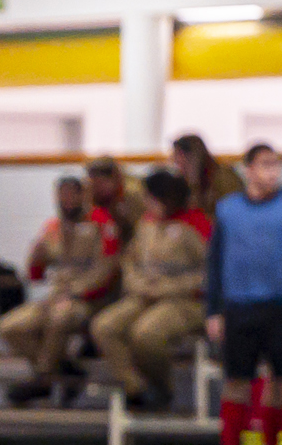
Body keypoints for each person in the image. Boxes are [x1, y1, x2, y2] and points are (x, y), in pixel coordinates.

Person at [87, 170, 210, 412]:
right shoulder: (147, 223)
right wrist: (138, 283)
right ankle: (136, 388)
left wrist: (169, 288)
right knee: (104, 326)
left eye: (150, 197)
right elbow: (130, 260)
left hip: (185, 301)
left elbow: (210, 274)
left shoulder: (197, 225)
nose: (146, 202)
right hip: (143, 294)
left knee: (145, 334)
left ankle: (162, 388)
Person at [201, 143, 282, 445]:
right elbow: (215, 262)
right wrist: (214, 310)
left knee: (280, 379)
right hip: (238, 307)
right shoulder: (228, 210)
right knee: (235, 379)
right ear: (248, 169)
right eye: (265, 164)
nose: (273, 171)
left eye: (277, 164)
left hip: (280, 306)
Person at [0, 176, 119, 406]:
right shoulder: (53, 227)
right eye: (62, 194)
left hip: (89, 299)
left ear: (83, 195)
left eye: (73, 194)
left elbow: (108, 269)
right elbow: (36, 275)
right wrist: (36, 256)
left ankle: (43, 379)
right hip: (55, 296)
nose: (68, 200)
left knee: (60, 318)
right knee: (10, 327)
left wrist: (77, 293)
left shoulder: (101, 223)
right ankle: (64, 370)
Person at [171, 133, 240, 217]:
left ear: (192, 156)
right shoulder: (182, 179)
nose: (174, 160)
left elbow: (233, 210)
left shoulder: (224, 177)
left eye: (178, 155)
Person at [86, 156, 147, 247]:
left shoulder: (132, 195)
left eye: (101, 183)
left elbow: (139, 231)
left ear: (116, 178)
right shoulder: (90, 194)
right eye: (94, 183)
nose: (97, 188)